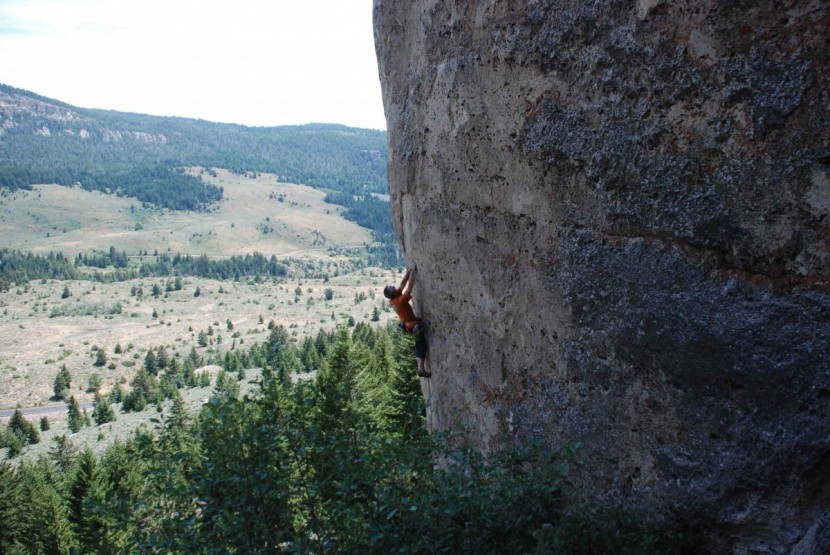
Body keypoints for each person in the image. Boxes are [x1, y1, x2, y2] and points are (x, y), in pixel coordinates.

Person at [383, 266, 430, 377]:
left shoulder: (394, 299)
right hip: (412, 326)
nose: (394, 287)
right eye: (392, 288)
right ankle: (421, 369)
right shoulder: (399, 301)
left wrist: (408, 272)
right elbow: (410, 286)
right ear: (393, 293)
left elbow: (402, 284)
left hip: (408, 324)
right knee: (421, 345)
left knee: (420, 344)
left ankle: (421, 368)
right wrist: (413, 273)